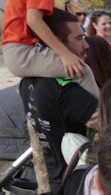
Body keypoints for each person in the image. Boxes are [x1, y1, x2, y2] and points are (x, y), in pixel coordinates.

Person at [20, 10, 98, 183]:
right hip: (80, 184)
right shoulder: (66, 92)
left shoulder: (27, 83)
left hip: (57, 181)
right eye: (79, 39)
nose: (86, 45)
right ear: (57, 44)